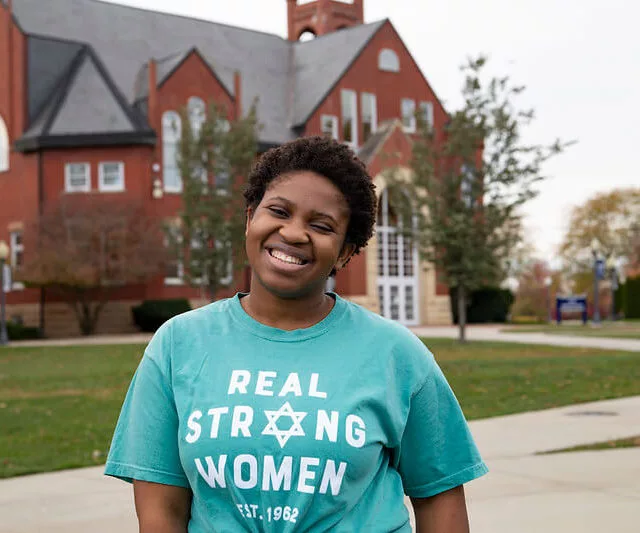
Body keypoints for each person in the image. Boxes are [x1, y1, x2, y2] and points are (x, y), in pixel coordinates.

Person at [105, 136, 488, 532]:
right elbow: (160, 513)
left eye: (321, 225)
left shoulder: (397, 353)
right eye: (278, 211)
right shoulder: (177, 346)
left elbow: (439, 499)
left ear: (344, 251)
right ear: (250, 217)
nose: (293, 233)